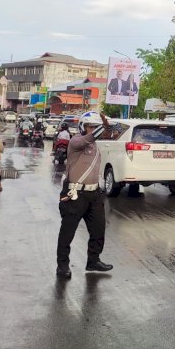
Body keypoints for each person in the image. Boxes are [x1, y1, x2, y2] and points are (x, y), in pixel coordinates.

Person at [56, 111, 113, 279]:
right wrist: (102, 127)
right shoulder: (76, 141)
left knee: (98, 230)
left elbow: (110, 134)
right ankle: (62, 265)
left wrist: (108, 127)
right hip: (76, 194)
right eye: (90, 126)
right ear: (82, 127)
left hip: (94, 194)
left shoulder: (95, 145)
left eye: (95, 127)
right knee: (67, 232)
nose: (92, 130)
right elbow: (89, 138)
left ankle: (93, 261)